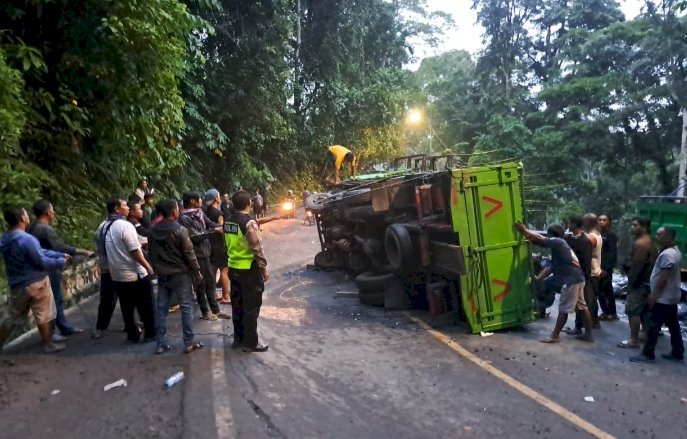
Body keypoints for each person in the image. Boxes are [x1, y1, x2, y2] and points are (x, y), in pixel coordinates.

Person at [0, 207, 68, 354]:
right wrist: (60, 261)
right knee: (44, 314)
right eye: (25, 214)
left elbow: (41, 252)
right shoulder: (27, 239)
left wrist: (58, 255)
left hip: (17, 283)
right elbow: (41, 261)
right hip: (36, 281)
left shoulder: (5, 239)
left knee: (12, 315)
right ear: (22, 219)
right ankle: (48, 343)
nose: (28, 216)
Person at [514, 222, 593, 343]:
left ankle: (554, 336)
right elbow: (551, 267)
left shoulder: (558, 242)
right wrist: (539, 279)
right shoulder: (560, 247)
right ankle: (588, 334)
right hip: (578, 278)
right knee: (582, 307)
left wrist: (524, 230)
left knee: (563, 309)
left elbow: (540, 239)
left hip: (571, 280)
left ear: (552, 235)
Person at [28, 199, 93, 340]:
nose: (54, 213)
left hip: (38, 269)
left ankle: (63, 328)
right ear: (47, 212)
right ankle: (53, 333)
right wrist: (83, 252)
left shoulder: (32, 228)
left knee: (51, 301)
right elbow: (60, 248)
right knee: (54, 301)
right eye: (52, 210)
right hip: (50, 268)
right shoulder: (45, 229)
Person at [148, 199, 204, 354]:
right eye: (177, 209)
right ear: (173, 212)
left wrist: (156, 269)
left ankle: (160, 344)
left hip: (163, 274)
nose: (179, 210)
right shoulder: (180, 230)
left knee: (161, 309)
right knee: (186, 306)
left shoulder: (153, 231)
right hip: (180, 274)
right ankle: (188, 342)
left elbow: (151, 254)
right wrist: (197, 272)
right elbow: (189, 254)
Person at [102, 197, 155, 343]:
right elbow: (134, 250)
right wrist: (148, 267)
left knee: (127, 306)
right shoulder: (125, 226)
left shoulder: (105, 226)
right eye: (125, 206)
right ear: (117, 209)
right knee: (146, 305)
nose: (127, 208)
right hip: (134, 273)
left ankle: (132, 334)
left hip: (117, 274)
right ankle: (150, 334)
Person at [630, 227, 685, 363]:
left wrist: (654, 295)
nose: (656, 236)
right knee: (673, 325)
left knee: (653, 325)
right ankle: (678, 351)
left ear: (668, 237)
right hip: (671, 295)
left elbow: (664, 277)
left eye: (660, 235)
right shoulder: (674, 251)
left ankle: (648, 354)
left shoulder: (668, 255)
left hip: (663, 297)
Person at [224, 190, 269, 352]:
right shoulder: (249, 223)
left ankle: (238, 339)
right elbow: (257, 248)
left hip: (233, 268)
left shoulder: (227, 222)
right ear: (249, 204)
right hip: (249, 270)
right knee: (251, 307)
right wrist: (264, 269)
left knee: (237, 305)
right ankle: (251, 343)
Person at [178, 192, 230, 321]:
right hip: (196, 255)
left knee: (211, 281)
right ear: (192, 201)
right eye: (199, 199)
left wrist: (219, 227)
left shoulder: (200, 212)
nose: (201, 200)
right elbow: (195, 236)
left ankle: (216, 310)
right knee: (200, 284)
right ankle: (205, 311)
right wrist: (213, 231)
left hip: (206, 251)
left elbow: (210, 223)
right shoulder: (184, 218)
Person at [618, 217, 657, 349]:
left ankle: (633, 340)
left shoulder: (641, 244)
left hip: (639, 284)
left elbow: (637, 266)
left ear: (644, 228)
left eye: (635, 225)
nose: (631, 228)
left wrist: (631, 283)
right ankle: (646, 335)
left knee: (633, 311)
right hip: (647, 283)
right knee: (645, 311)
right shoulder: (648, 242)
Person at [563, 216, 594, 341]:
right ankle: (578, 328)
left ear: (575, 224)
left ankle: (587, 332)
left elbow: (586, 261)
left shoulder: (585, 241)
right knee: (579, 305)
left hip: (580, 276)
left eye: (570, 222)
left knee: (582, 305)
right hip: (573, 275)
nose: (568, 224)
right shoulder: (570, 238)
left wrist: (584, 278)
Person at [204, 188, 231, 305]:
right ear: (216, 198)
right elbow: (222, 229)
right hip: (219, 245)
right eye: (219, 196)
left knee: (213, 271)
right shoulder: (218, 214)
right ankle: (226, 296)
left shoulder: (204, 213)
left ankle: (214, 295)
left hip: (208, 245)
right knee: (224, 270)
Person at [582, 213, 602, 327]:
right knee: (592, 298)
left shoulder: (591, 237)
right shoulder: (596, 234)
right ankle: (594, 321)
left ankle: (590, 323)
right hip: (595, 270)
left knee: (589, 299)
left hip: (591, 271)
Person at [598, 214, 619, 320]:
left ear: (609, 222)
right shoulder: (597, 233)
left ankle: (610, 312)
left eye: (604, 220)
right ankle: (607, 312)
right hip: (598, 266)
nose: (602, 222)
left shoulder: (611, 235)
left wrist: (606, 268)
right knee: (600, 290)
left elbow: (612, 253)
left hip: (605, 268)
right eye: (600, 220)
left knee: (607, 290)